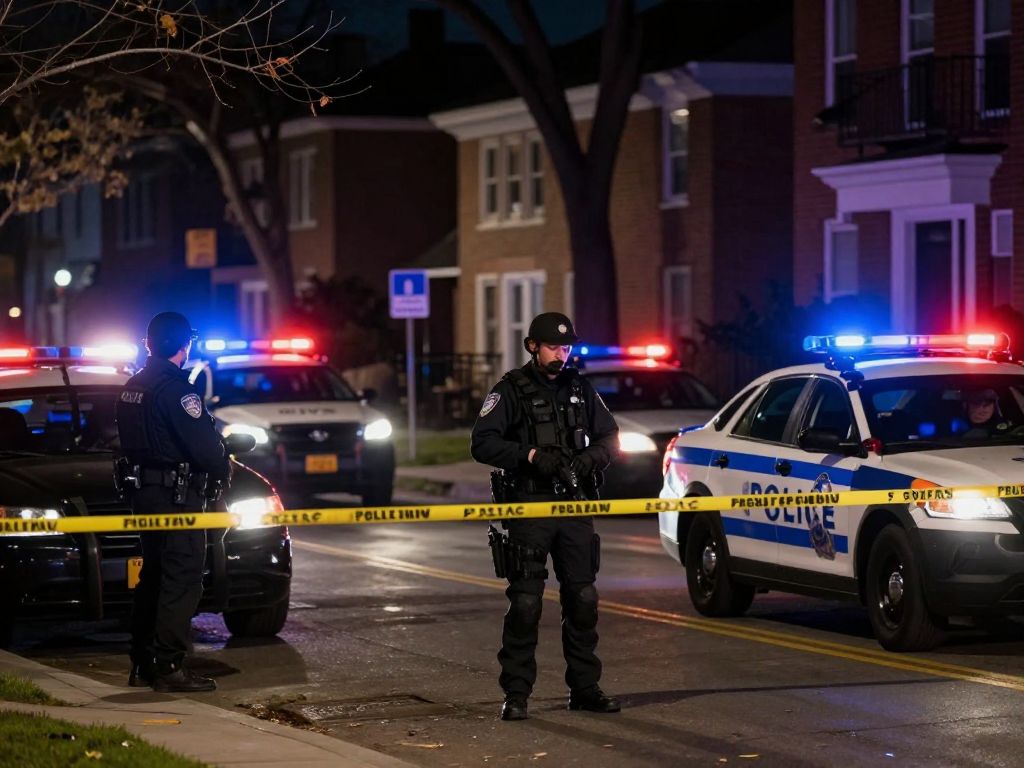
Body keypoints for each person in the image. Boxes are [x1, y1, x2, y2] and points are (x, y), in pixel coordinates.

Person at [471, 311, 620, 721]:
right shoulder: (510, 390)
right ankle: (516, 694)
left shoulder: (581, 389)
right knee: (525, 604)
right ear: (533, 347)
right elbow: (482, 443)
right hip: (529, 507)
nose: (562, 353)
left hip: (574, 508)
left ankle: (585, 688)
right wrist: (531, 456)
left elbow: (610, 437)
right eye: (554, 346)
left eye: (567, 346)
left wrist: (589, 459)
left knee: (583, 598)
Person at [115, 312, 231, 693]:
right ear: (185, 345)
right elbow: (208, 451)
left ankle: (143, 660)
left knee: (154, 574)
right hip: (176, 497)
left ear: (148, 343)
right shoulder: (178, 391)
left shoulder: (133, 386)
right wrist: (220, 461)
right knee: (181, 578)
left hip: (145, 494)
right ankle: (169, 666)